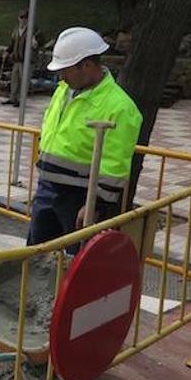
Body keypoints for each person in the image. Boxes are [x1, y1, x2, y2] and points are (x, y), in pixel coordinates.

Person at [27, 27, 142, 248]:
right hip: (48, 187)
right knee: (36, 256)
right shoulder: (65, 89)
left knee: (71, 263)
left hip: (79, 197)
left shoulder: (120, 107)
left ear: (87, 66)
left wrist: (95, 203)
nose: (61, 75)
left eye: (66, 69)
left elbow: (114, 164)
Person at [3, 9, 44, 106]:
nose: (23, 20)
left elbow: (41, 41)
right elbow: (12, 43)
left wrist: (36, 42)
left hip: (27, 60)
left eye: (25, 18)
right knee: (15, 80)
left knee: (24, 82)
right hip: (17, 59)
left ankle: (21, 101)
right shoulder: (16, 29)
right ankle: (12, 98)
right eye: (21, 18)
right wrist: (7, 52)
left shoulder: (34, 29)